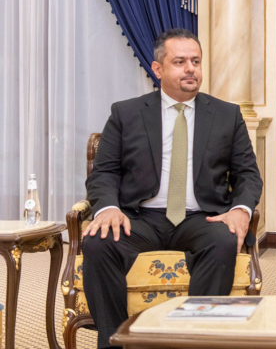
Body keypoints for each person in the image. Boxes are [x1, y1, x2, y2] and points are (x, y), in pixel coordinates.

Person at [82, 28, 262, 348]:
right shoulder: (126, 113)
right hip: (140, 217)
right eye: (180, 62)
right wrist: (108, 208)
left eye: (196, 61)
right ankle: (115, 341)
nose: (190, 68)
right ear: (158, 68)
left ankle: (192, 340)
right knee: (98, 242)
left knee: (223, 241)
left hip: (201, 217)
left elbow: (248, 174)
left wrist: (240, 210)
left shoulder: (227, 114)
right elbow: (104, 171)